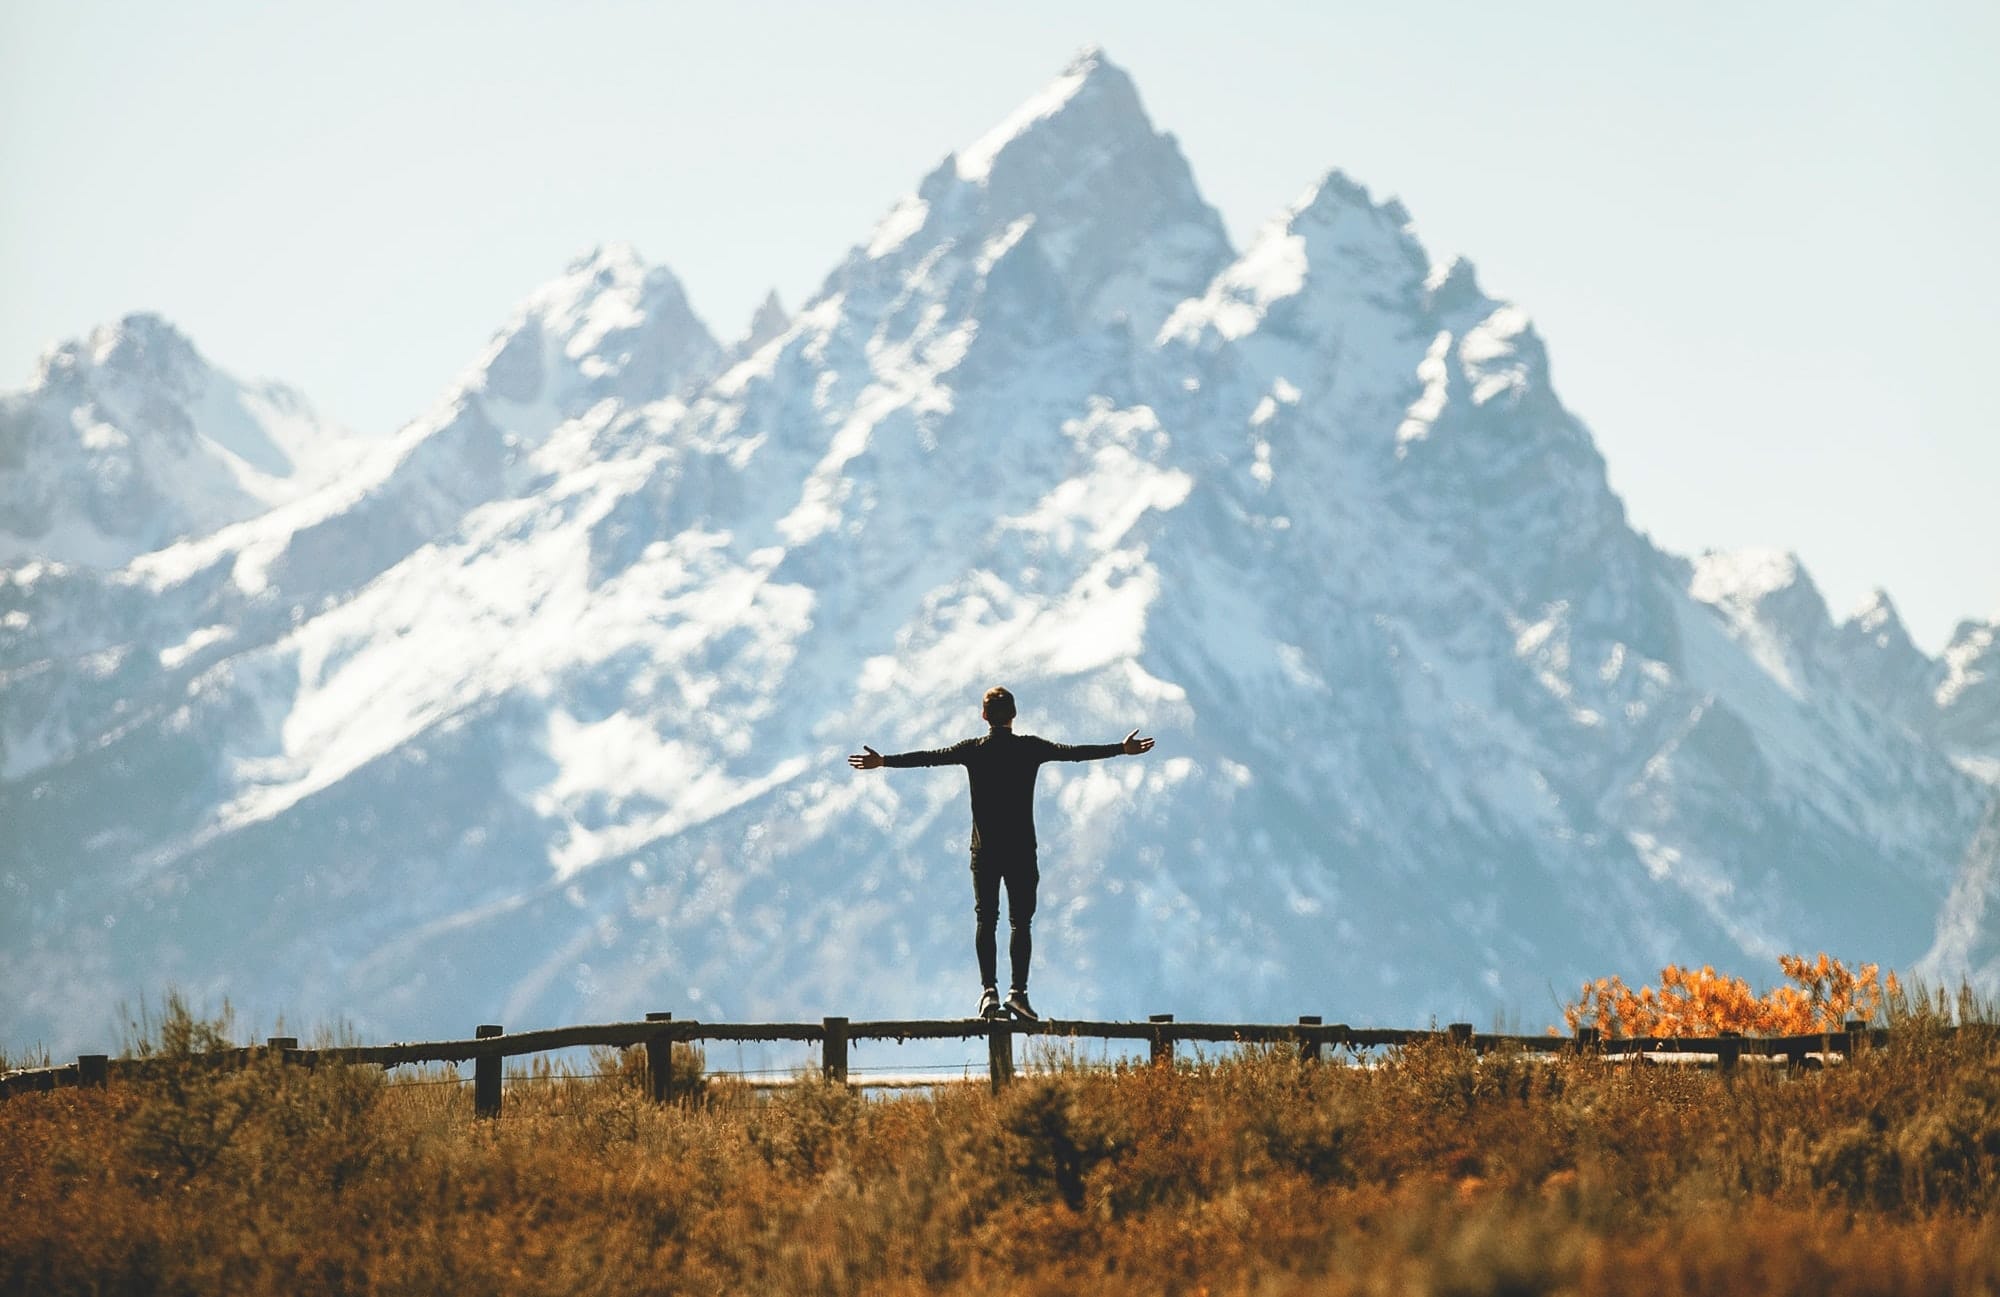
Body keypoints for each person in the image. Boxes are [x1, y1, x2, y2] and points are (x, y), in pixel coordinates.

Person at [848, 686, 1155, 1021]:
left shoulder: (973, 750)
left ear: (983, 716)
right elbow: (1075, 752)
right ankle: (1018, 994)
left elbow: (929, 757)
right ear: (1015, 715)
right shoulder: (1030, 748)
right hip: (1022, 851)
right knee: (1020, 923)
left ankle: (989, 993)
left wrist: (884, 761)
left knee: (986, 919)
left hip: (985, 852)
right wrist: (1121, 750)